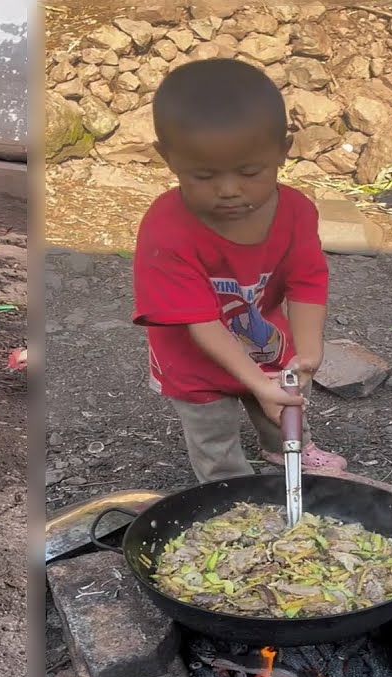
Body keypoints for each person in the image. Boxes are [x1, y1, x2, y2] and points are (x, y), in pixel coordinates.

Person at [132, 58, 348, 484]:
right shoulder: (166, 229)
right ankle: (230, 488)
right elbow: (200, 323)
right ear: (168, 158)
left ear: (283, 152)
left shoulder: (297, 212)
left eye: (250, 172)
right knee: (213, 433)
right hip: (194, 357)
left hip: (260, 339)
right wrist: (255, 380)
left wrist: (307, 354)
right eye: (204, 175)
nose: (229, 189)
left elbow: (307, 281)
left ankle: (286, 446)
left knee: (284, 401)